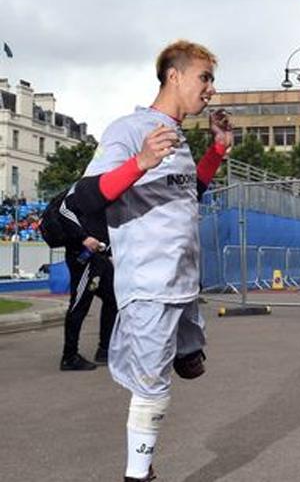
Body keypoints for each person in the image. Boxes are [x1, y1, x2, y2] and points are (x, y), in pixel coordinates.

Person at [66, 40, 233, 482]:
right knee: (151, 388)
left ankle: (185, 348)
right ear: (173, 76)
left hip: (183, 282)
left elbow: (187, 193)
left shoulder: (176, 136)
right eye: (205, 77)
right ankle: (138, 474)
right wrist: (140, 161)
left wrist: (216, 151)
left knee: (190, 363)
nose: (211, 89)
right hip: (149, 284)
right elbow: (84, 197)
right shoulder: (129, 129)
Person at [60, 229, 117, 371]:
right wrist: (83, 237)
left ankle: (105, 349)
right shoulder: (71, 213)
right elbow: (64, 216)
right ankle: (69, 356)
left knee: (113, 299)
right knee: (79, 305)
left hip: (101, 256)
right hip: (85, 255)